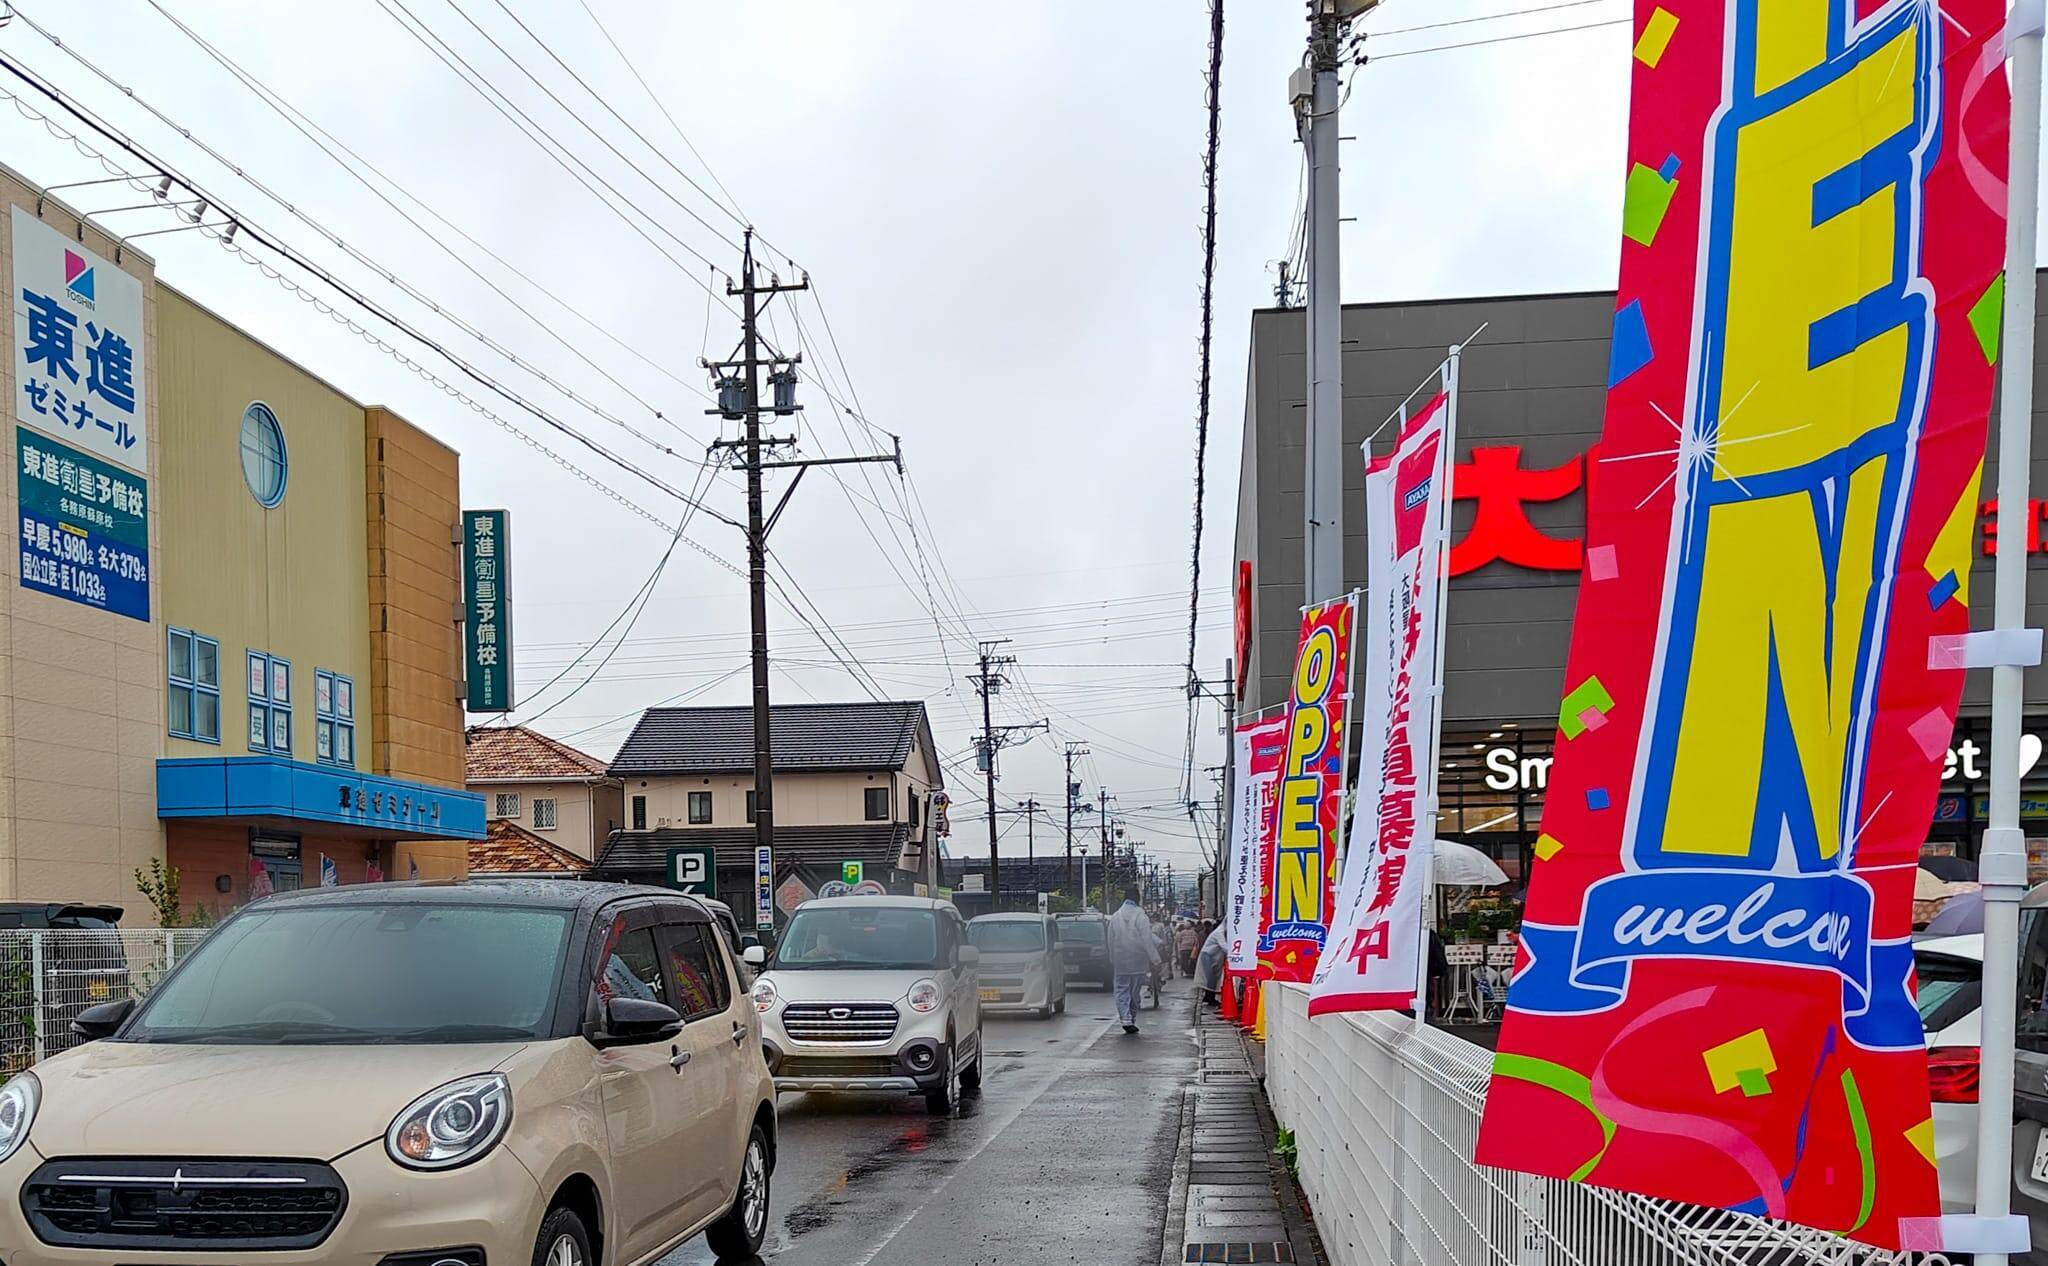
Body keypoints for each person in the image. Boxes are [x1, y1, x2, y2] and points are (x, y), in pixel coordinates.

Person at [1108, 888, 1160, 1033]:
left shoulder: (1115, 916)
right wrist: (1155, 959)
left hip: (1120, 959)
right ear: (1138, 899)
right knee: (1134, 991)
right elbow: (1147, 939)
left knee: (1121, 990)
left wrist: (1112, 957)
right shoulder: (1141, 916)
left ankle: (1126, 1018)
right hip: (1138, 959)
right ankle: (1131, 1017)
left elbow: (1110, 940)